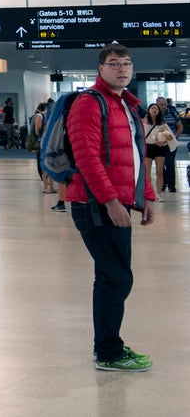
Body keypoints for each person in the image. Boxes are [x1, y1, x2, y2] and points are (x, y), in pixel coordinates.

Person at [67, 45, 156, 372]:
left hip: (118, 201)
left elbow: (134, 154)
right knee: (116, 278)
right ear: (100, 69)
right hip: (95, 204)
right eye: (115, 64)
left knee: (112, 276)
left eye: (127, 64)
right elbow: (86, 158)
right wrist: (110, 201)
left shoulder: (125, 104)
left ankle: (106, 346)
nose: (122, 69)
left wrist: (145, 196)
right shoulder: (89, 104)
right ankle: (109, 351)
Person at [142, 103, 175, 196]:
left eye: (156, 109)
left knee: (159, 171)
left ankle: (159, 194)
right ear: (148, 110)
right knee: (147, 173)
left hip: (158, 148)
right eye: (152, 108)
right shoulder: (144, 122)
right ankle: (149, 192)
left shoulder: (161, 123)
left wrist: (162, 142)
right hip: (148, 147)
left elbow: (169, 137)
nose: (155, 110)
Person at [156, 97, 182, 192]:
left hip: (171, 142)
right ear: (157, 104)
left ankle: (171, 185)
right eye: (161, 105)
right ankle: (162, 184)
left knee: (170, 164)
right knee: (160, 165)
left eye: (165, 104)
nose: (163, 107)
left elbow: (180, 126)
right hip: (158, 144)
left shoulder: (172, 113)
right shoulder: (153, 114)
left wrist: (175, 136)